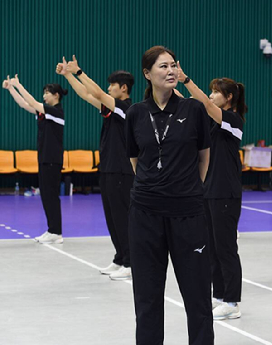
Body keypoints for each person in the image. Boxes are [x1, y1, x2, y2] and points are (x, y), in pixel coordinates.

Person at [124, 46, 213, 344]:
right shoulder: (136, 114)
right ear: (148, 74)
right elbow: (135, 160)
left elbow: (204, 157)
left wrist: (185, 190)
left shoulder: (194, 110)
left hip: (188, 213)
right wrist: (155, 187)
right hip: (145, 214)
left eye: (173, 65)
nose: (171, 71)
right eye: (163, 67)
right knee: (147, 298)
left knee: (198, 297)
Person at [175, 62, 246, 321]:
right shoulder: (211, 122)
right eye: (211, 91)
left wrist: (185, 79)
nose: (212, 95)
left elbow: (204, 103)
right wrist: (172, 85)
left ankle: (232, 301)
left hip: (225, 193)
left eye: (216, 92)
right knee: (212, 247)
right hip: (207, 190)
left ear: (228, 98)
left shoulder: (233, 122)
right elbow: (193, 103)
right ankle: (219, 295)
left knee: (226, 247)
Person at [56, 56, 135, 280]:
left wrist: (79, 72)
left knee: (121, 216)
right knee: (111, 216)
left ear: (123, 88)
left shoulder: (125, 109)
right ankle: (120, 258)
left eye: (112, 85)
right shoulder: (111, 109)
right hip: (108, 168)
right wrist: (68, 76)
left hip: (122, 171)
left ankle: (130, 262)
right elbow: (87, 95)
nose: (109, 88)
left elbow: (98, 93)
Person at [2, 75, 67, 245]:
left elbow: (31, 101)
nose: (44, 95)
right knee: (46, 195)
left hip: (53, 159)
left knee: (51, 195)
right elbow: (24, 104)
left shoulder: (56, 111)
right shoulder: (44, 113)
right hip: (44, 158)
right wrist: (11, 89)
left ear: (56, 96)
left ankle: (56, 232)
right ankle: (52, 229)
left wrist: (19, 84)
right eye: (44, 92)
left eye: (48, 93)